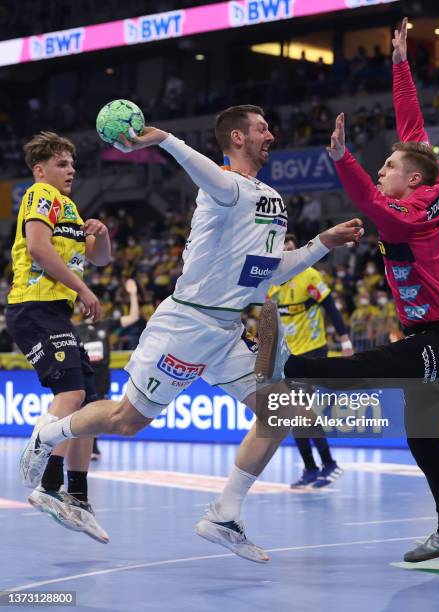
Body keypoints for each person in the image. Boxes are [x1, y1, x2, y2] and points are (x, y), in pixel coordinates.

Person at [19, 107, 364, 562]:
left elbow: (269, 272)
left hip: (225, 330)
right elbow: (204, 171)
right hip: (185, 325)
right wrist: (162, 138)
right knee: (127, 421)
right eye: (262, 129)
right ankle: (47, 437)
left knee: (283, 413)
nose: (272, 135)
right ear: (237, 137)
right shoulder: (222, 187)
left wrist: (322, 243)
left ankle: (224, 514)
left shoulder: (273, 201)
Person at [256, 18, 439, 563]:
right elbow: (411, 128)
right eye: (378, 166)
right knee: (425, 441)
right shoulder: (432, 180)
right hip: (431, 336)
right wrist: (400, 65)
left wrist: (342, 159)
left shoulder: (410, 217)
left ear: (412, 183)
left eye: (387, 168)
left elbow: (375, 206)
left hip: (438, 340)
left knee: (369, 365)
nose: (381, 171)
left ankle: (291, 372)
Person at [6, 131, 111, 543]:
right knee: (70, 394)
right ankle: (47, 483)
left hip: (55, 314)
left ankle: (78, 497)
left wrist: (101, 235)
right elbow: (37, 248)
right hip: (33, 307)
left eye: (72, 164)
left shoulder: (69, 208)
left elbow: (100, 259)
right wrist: (84, 290)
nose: (71, 170)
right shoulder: (39, 195)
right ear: (41, 169)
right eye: (62, 164)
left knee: (88, 400)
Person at [268, 234, 352, 488]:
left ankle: (327, 464)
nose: (287, 253)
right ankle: (312, 468)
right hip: (289, 355)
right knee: (292, 413)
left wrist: (345, 340)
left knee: (300, 411)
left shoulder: (309, 276)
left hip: (314, 350)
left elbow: (330, 308)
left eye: (291, 248)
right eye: (283, 250)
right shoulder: (273, 284)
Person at [76, 278, 140, 460]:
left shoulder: (106, 325)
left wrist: (133, 294)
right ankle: (85, 448)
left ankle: (93, 447)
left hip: (102, 377)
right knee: (82, 411)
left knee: (96, 412)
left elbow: (134, 317)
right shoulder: (76, 329)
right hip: (84, 377)